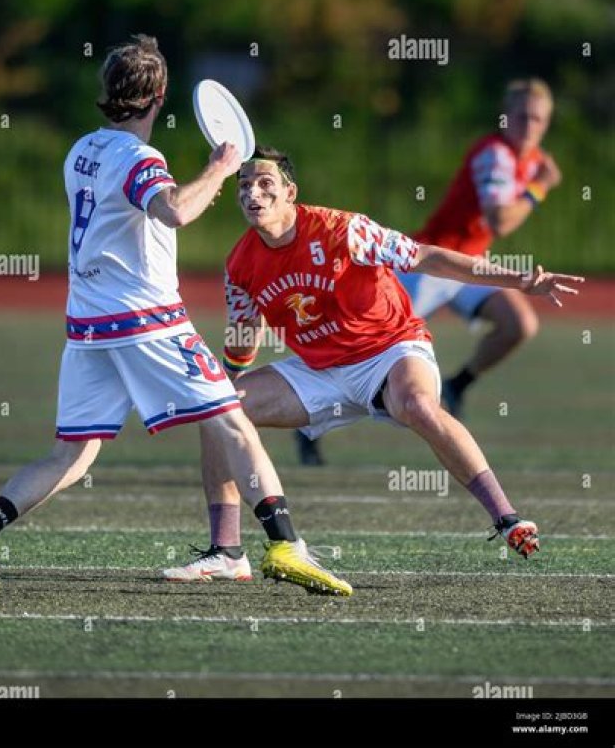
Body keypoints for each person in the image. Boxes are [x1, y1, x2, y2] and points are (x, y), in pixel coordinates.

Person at [0, 36, 352, 597]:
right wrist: (219, 166)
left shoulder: (81, 149)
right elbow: (176, 210)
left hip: (87, 326)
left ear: (108, 93)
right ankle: (285, 545)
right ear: (159, 97)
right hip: (146, 321)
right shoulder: (140, 159)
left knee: (72, 454)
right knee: (232, 417)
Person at [166, 145, 582, 578]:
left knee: (419, 406)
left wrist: (519, 280)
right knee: (221, 412)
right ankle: (228, 552)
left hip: (389, 349)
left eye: (265, 183)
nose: (253, 193)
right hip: (320, 370)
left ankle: (508, 518)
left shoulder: (343, 230)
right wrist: (221, 385)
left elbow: (426, 256)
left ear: (291, 192)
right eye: (245, 185)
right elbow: (243, 334)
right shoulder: (240, 263)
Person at [296, 78, 561, 465]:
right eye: (521, 116)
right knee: (366, 354)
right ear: (505, 117)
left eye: (538, 119)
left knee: (519, 323)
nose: (529, 126)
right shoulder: (495, 154)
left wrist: (537, 180)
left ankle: (455, 386)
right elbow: (500, 219)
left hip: (467, 268)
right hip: (429, 266)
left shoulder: (533, 159)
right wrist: (539, 189)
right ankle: (308, 424)